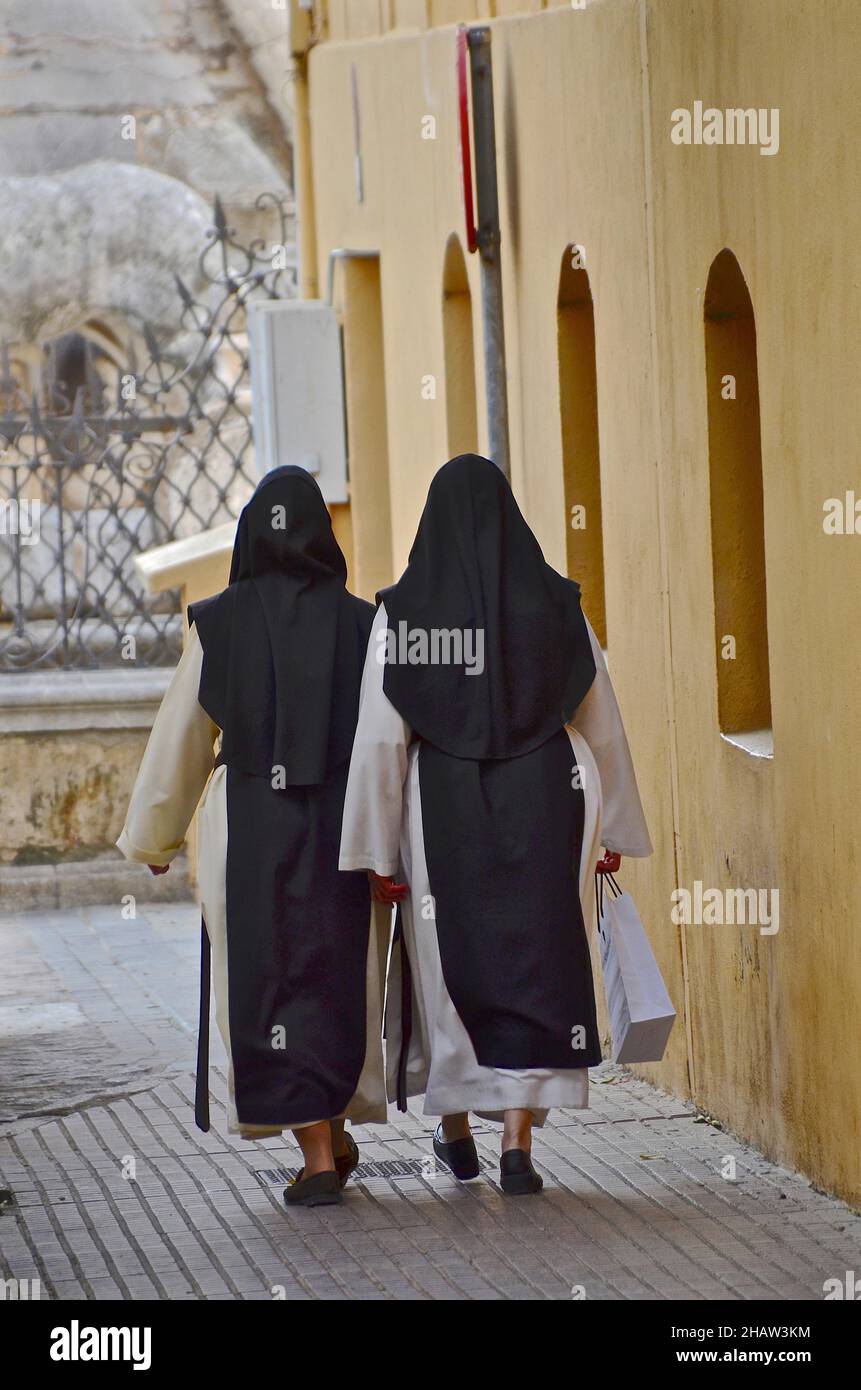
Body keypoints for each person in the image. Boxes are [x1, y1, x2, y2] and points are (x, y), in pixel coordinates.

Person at [339, 453, 652, 1195]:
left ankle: (455, 1127)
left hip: (440, 801)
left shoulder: (401, 610)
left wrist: (376, 847)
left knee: (447, 962)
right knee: (540, 957)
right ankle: (516, 1142)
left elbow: (382, 741)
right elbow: (599, 719)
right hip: (552, 791)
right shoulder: (556, 601)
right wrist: (610, 825)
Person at [118, 466, 389, 1207]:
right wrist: (394, 838)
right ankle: (329, 1133)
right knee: (335, 976)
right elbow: (385, 744)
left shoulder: (220, 621)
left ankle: (318, 1156)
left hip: (249, 824)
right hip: (345, 823)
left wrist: (156, 840)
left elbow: (183, 736)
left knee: (271, 978)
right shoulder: (363, 623)